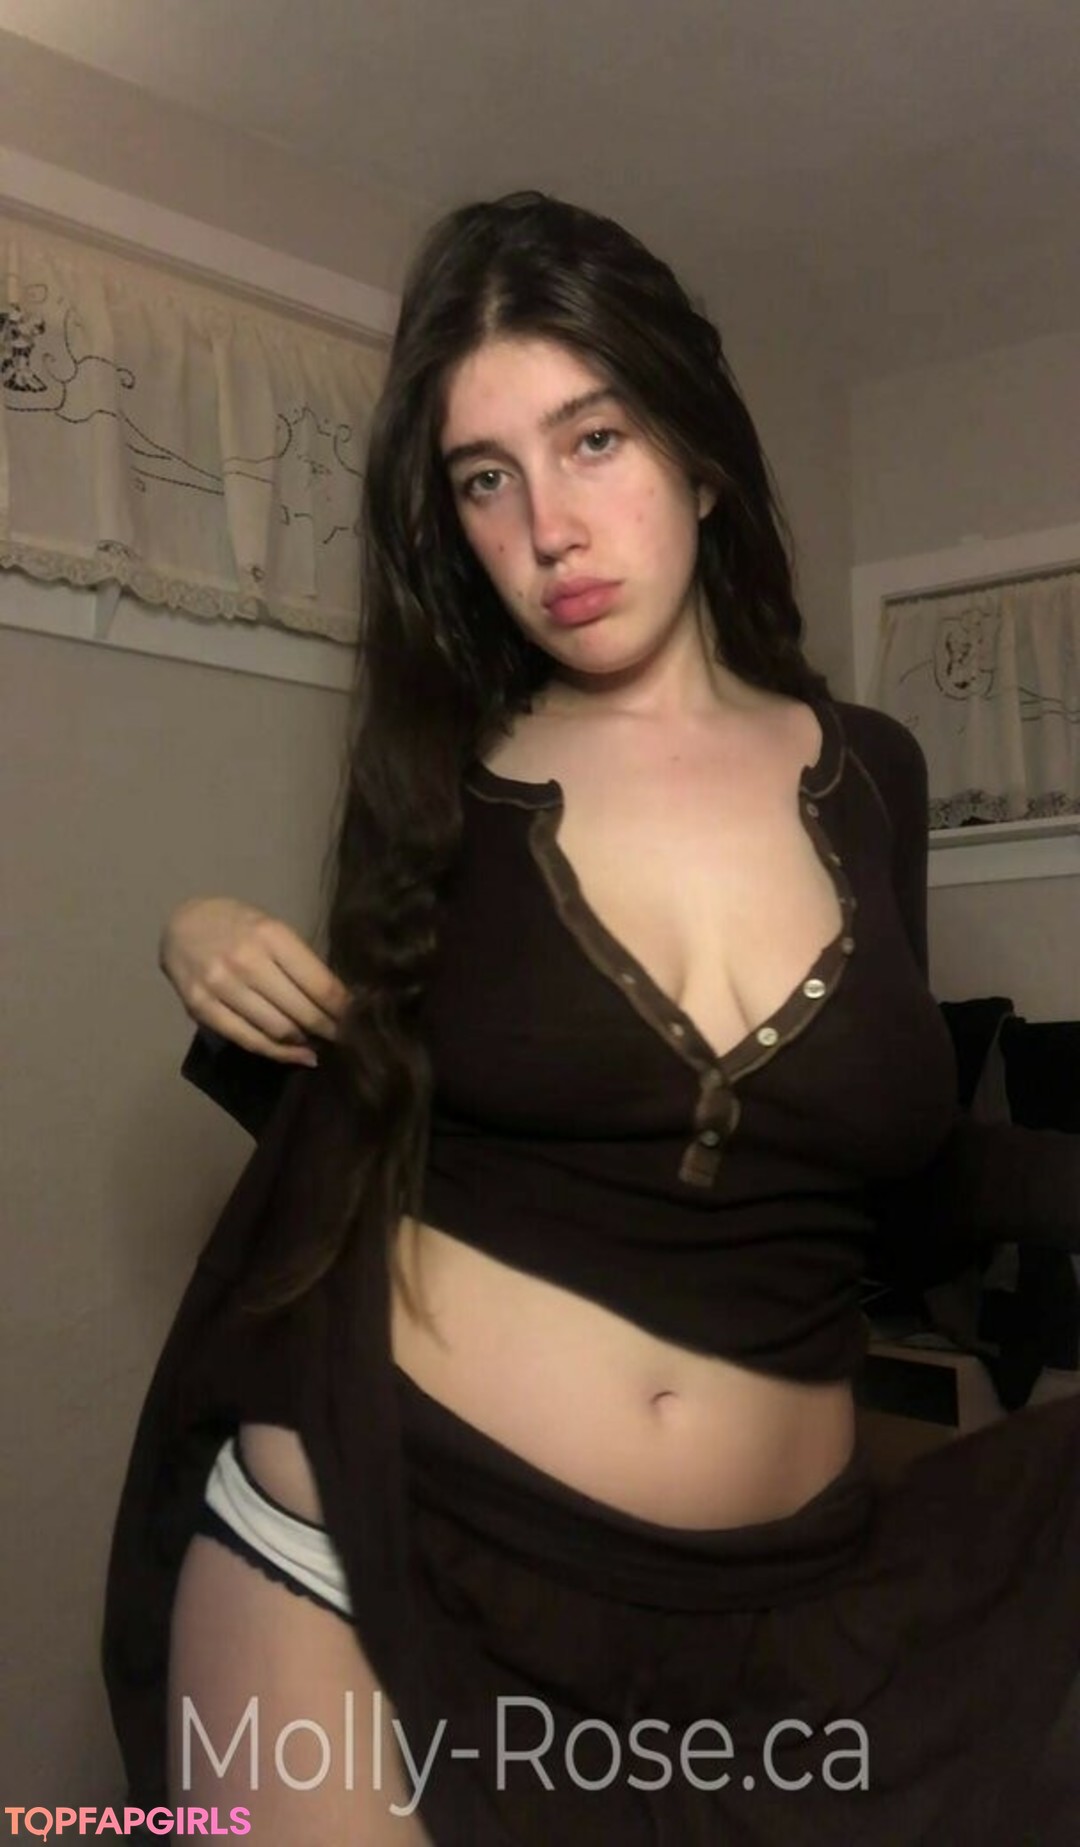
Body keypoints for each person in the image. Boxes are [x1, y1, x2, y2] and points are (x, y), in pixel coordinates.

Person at [104, 192, 1080, 1846]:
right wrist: (200, 945)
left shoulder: (875, 774)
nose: (547, 526)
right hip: (382, 1543)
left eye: (594, 439)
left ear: (698, 455)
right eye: (485, 478)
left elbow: (891, 1183)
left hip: (778, 1607)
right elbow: (366, 1116)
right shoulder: (444, 783)